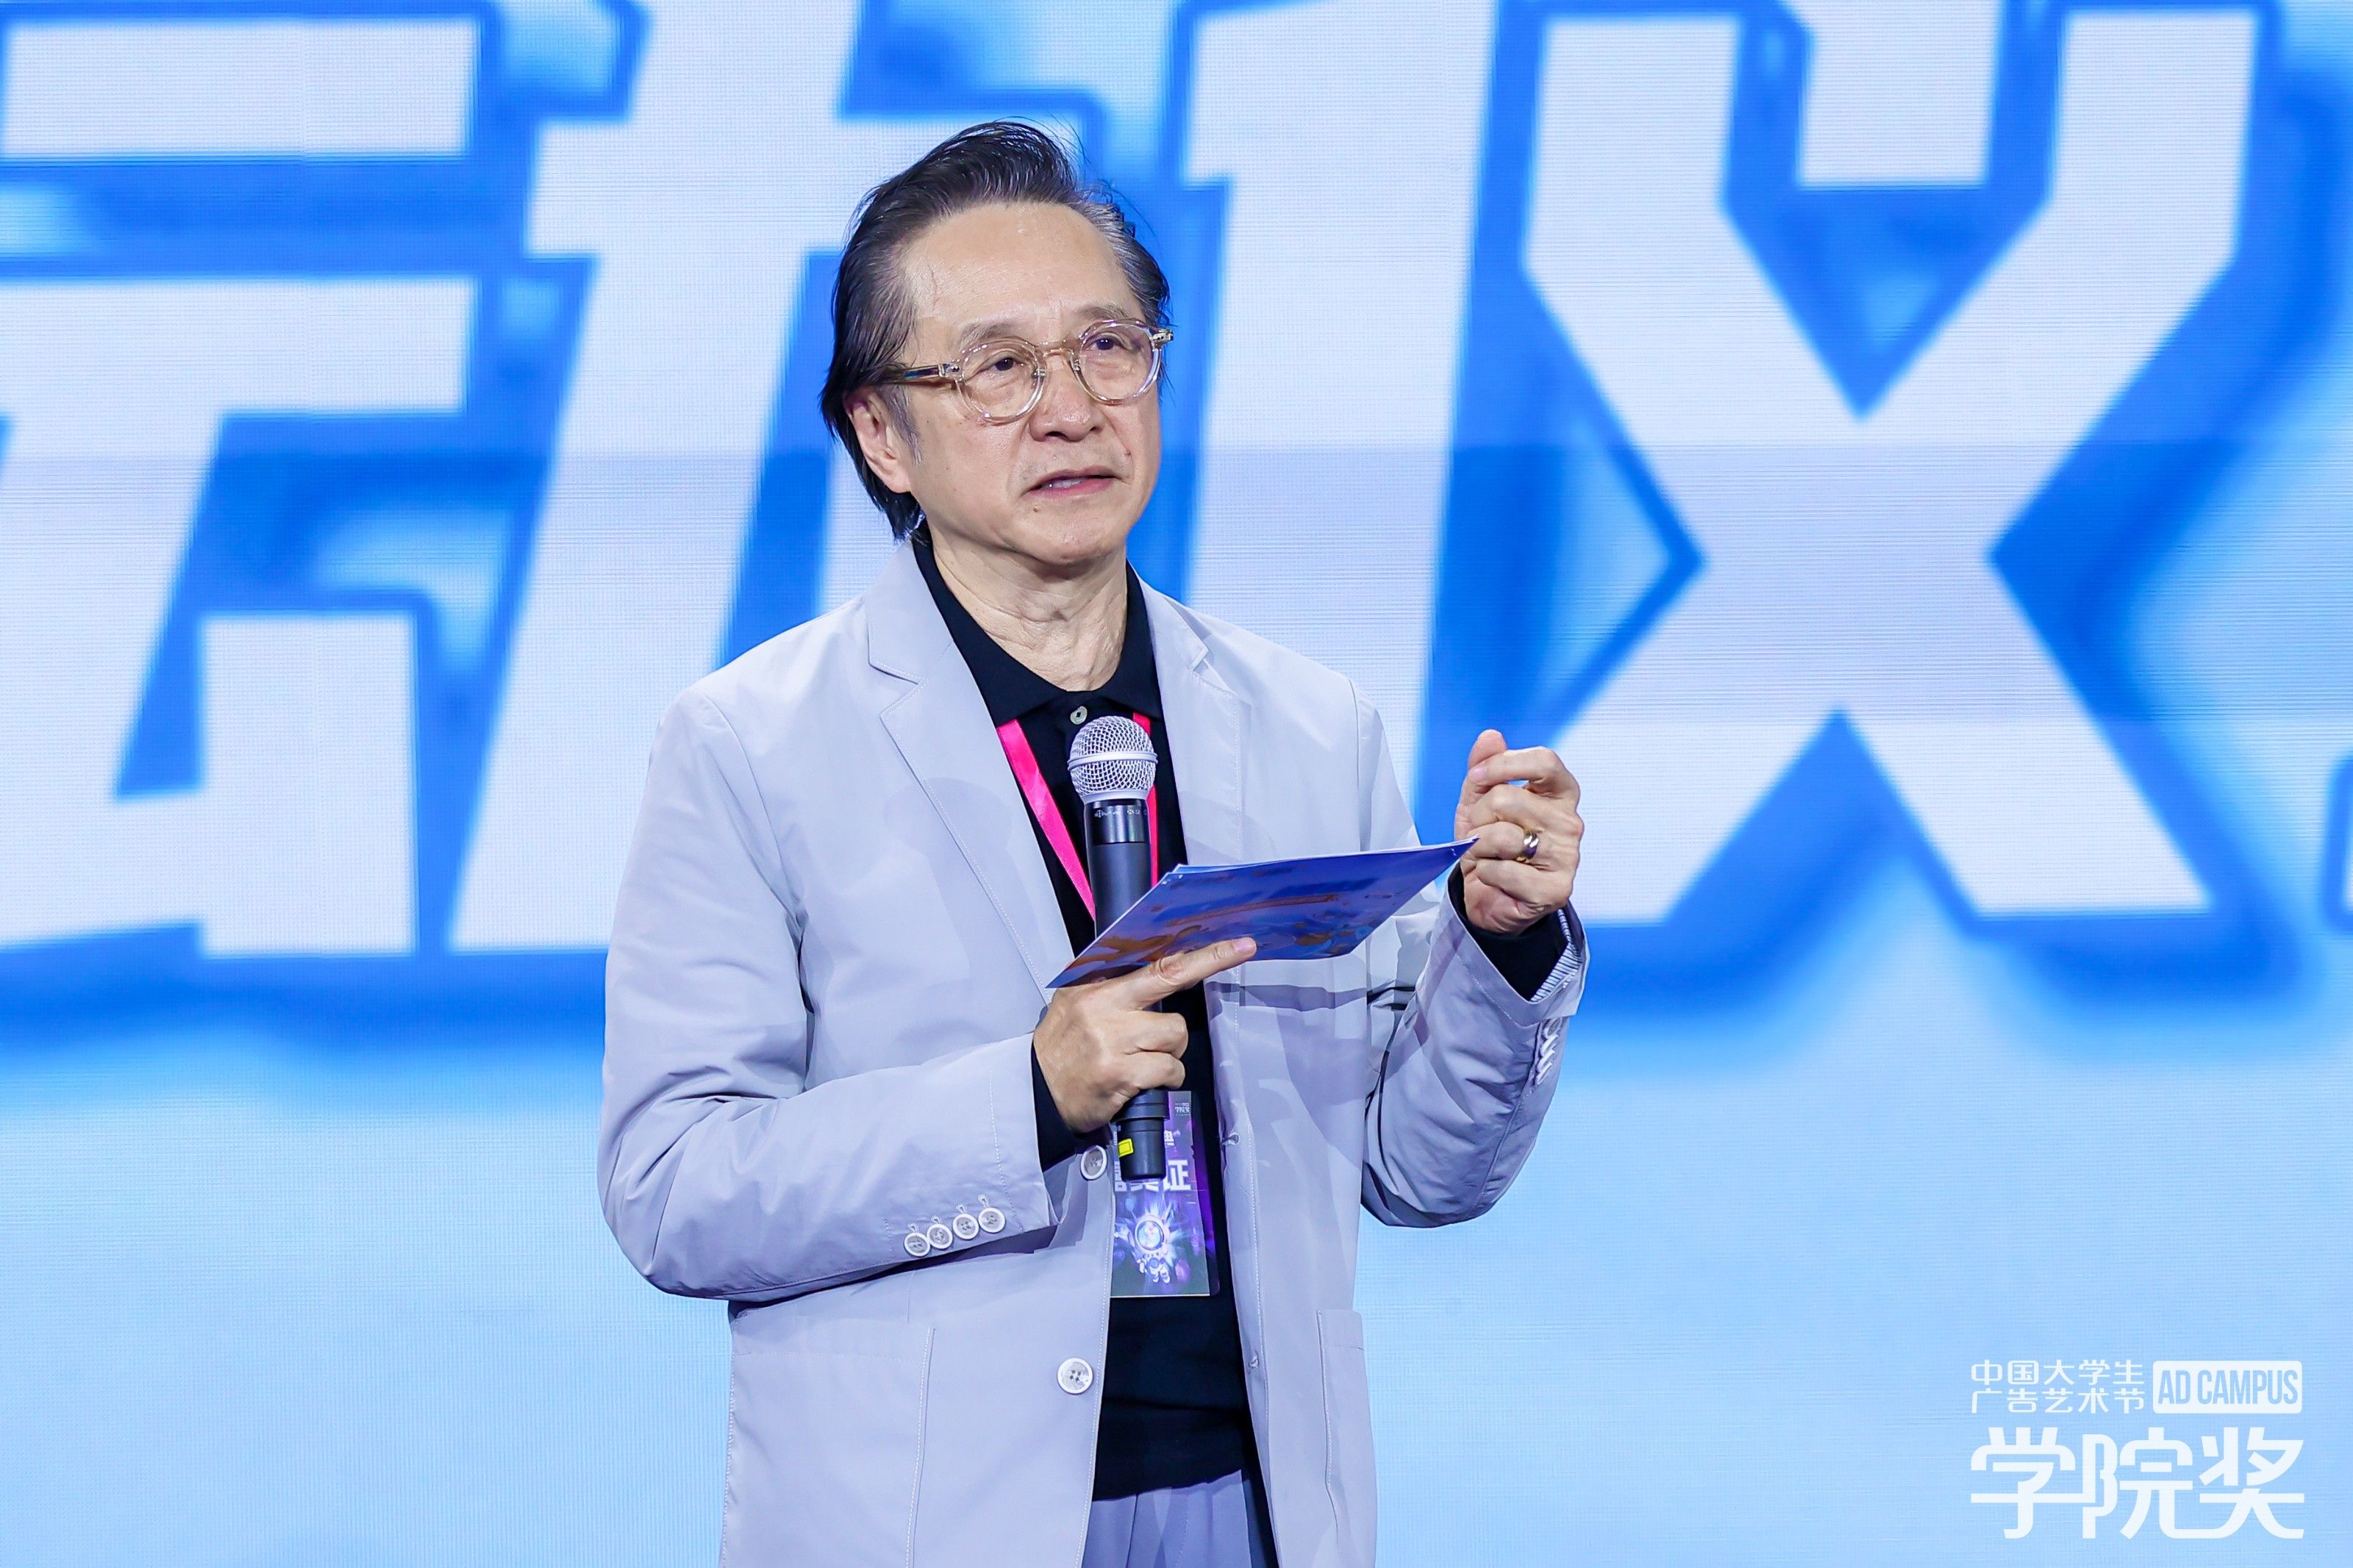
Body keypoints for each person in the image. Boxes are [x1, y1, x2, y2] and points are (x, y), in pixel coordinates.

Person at [600, 121, 1587, 1568]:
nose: (1070, 408)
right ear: (881, 432)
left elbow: (1419, 1167)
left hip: (1259, 1497)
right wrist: (1026, 1099)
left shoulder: (1309, 725)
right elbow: (675, 1188)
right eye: (998, 367)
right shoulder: (752, 743)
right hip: (934, 1517)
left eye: (1108, 348)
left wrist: (1502, 946)